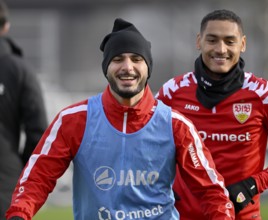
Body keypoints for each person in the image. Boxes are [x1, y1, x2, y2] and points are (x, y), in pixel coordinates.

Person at [5, 18, 235, 220]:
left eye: (136, 59)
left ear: (147, 66)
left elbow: (212, 192)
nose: (128, 67)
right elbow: (37, 179)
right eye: (118, 59)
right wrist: (18, 214)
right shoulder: (74, 120)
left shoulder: (176, 126)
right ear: (106, 67)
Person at [156, 9, 268, 220]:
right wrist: (160, 185)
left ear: (242, 44)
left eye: (230, 41)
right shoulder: (172, 92)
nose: (220, 49)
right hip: (181, 216)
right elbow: (147, 145)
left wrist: (254, 185)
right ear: (199, 41)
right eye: (212, 40)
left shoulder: (267, 95)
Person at [0, 1, 48, 219]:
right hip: (4, 185)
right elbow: (38, 134)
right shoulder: (20, 70)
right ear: (6, 26)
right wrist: (18, 170)